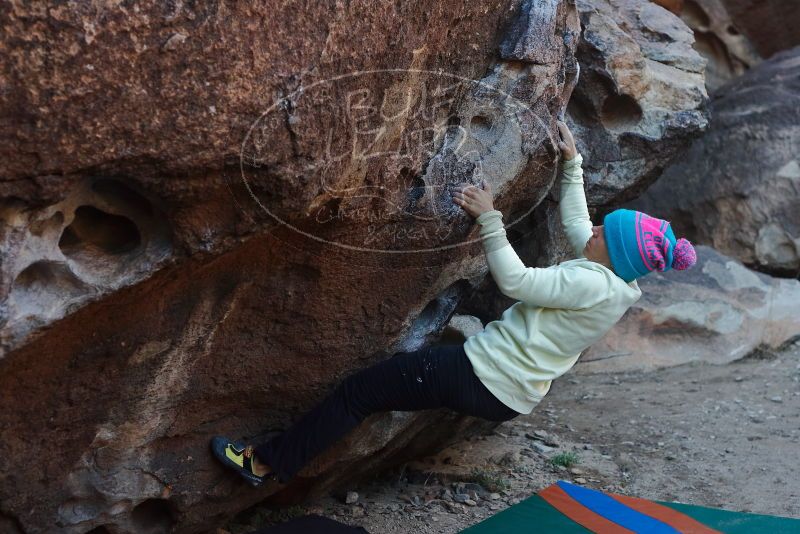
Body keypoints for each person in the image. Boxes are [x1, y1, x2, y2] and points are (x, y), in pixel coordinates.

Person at [210, 121, 697, 487]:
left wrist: (489, 218)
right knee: (384, 388)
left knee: (358, 394)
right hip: (503, 390)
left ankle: (265, 463)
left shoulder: (588, 282)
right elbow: (578, 226)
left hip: (481, 375)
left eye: (602, 234)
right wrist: (573, 166)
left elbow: (515, 280)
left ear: (613, 253)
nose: (593, 229)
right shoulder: (615, 281)